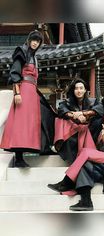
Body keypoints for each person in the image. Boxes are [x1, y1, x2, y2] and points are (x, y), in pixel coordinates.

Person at [48, 112, 104, 211]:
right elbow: (101, 156)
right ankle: (86, 201)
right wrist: (103, 137)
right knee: (84, 166)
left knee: (86, 151)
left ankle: (66, 182)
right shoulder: (101, 136)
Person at [0, 30, 55, 167]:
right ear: (29, 40)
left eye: (38, 41)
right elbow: (15, 72)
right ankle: (18, 158)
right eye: (34, 40)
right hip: (23, 90)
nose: (35, 43)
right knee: (21, 123)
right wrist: (17, 93)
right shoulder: (22, 51)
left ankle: (44, 148)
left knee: (45, 115)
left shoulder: (34, 57)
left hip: (33, 92)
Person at [54, 78, 104, 164]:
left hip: (89, 129)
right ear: (73, 90)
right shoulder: (67, 102)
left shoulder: (93, 101)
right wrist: (74, 115)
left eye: (81, 88)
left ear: (85, 90)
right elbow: (61, 109)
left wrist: (84, 114)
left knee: (99, 119)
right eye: (76, 88)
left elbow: (100, 109)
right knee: (60, 120)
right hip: (74, 130)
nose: (79, 91)